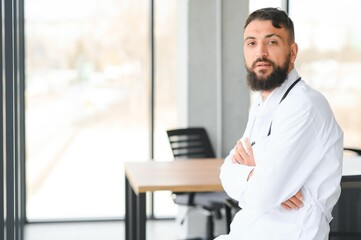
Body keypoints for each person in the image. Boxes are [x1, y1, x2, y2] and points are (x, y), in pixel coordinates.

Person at [215, 7, 343, 240]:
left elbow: (264, 196)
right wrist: (261, 177)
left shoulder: (304, 106)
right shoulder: (263, 103)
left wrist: (264, 184)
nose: (260, 52)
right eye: (251, 43)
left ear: (292, 52)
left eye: (272, 42)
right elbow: (226, 172)